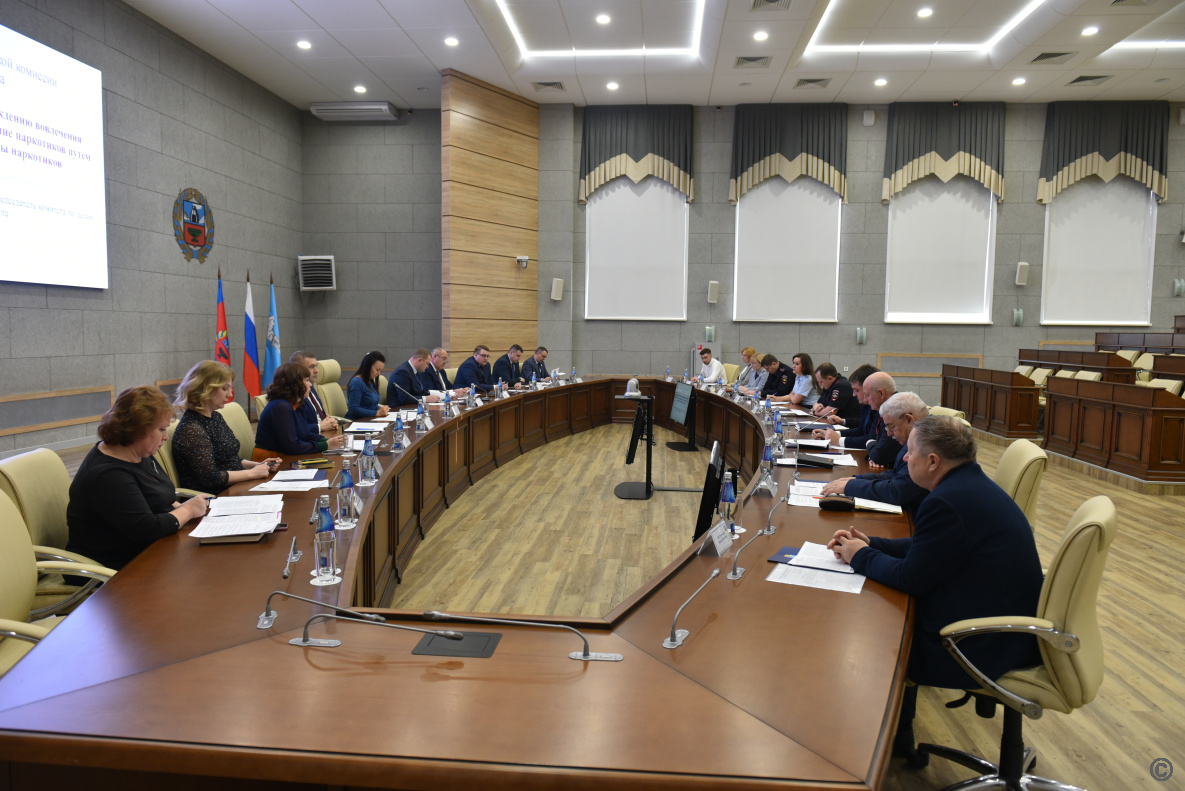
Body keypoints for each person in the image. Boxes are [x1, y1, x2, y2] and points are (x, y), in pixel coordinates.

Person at [828, 416, 1043, 754]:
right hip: (1006, 628)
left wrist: (859, 556)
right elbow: (930, 548)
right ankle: (898, 736)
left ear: (932, 461)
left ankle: (858, 749)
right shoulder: (968, 485)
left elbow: (911, 577)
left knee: (872, 633)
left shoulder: (946, 501)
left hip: (979, 644)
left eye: (910, 452)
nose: (904, 458)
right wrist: (872, 544)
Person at [66, 386, 211, 571]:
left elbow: (159, 497)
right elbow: (147, 529)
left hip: (148, 552)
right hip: (114, 569)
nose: (166, 437)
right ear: (137, 429)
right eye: (161, 429)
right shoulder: (108, 475)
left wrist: (182, 507)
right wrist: (188, 511)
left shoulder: (138, 452)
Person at [171, 360, 280, 493]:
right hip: (214, 497)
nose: (230, 394)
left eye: (230, 388)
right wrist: (252, 473)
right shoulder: (191, 429)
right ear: (205, 389)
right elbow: (211, 478)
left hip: (234, 487)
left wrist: (259, 466)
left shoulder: (215, 417)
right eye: (224, 389)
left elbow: (230, 460)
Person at [820, 392, 929, 517]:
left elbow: (898, 491)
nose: (889, 434)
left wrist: (851, 487)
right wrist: (858, 479)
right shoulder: (919, 435)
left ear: (908, 420)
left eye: (891, 426)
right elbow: (897, 475)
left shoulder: (926, 441)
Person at [255, 363, 346, 457]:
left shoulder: (296, 404)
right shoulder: (281, 407)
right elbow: (292, 446)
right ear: (294, 384)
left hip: (286, 455)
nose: (310, 384)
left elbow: (305, 433)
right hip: (271, 459)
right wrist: (325, 445)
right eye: (307, 380)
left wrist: (328, 441)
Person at [289, 351, 338, 432]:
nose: (316, 371)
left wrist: (330, 422)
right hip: (311, 436)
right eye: (311, 367)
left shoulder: (311, 387)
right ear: (298, 369)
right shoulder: (294, 394)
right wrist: (320, 427)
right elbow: (297, 427)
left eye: (316, 366)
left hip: (323, 433)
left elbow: (321, 416)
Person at [345, 351, 391, 420]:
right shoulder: (356, 382)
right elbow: (353, 409)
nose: (379, 374)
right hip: (357, 421)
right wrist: (376, 413)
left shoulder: (370, 380)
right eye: (377, 370)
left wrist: (382, 409)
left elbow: (370, 406)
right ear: (368, 366)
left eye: (380, 370)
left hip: (369, 419)